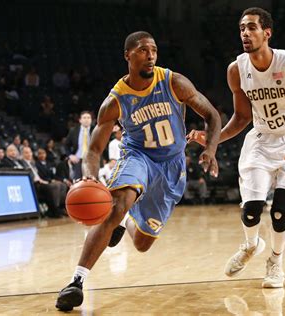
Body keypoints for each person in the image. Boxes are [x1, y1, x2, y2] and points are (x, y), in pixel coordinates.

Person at [55, 31, 221, 311]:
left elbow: (212, 116)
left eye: (154, 50)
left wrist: (211, 149)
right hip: (138, 156)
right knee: (117, 205)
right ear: (128, 56)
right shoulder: (115, 101)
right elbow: (94, 150)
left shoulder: (173, 82)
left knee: (143, 243)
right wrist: (90, 175)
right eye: (143, 50)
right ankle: (76, 281)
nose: (151, 56)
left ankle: (126, 224)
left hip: (172, 164)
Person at [187, 7, 285, 288]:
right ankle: (251, 246)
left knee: (279, 210)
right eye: (241, 29)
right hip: (262, 139)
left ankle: (275, 263)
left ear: (267, 33)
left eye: (251, 27)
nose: (245, 33)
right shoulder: (236, 70)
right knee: (251, 209)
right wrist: (211, 140)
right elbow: (242, 118)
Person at [64, 111, 93, 180]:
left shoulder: (95, 130)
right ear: (80, 120)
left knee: (92, 183)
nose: (86, 119)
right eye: (84, 118)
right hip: (78, 160)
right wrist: (70, 155)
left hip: (91, 160)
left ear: (91, 120)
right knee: (78, 181)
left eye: (89, 118)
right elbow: (66, 145)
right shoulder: (73, 131)